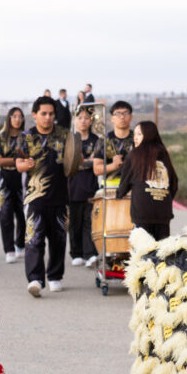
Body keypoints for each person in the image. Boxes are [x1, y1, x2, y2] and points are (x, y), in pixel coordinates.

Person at [15, 96, 68, 297]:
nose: (47, 117)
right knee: (34, 238)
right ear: (34, 114)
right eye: (43, 114)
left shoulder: (64, 135)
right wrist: (25, 165)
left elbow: (75, 160)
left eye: (51, 114)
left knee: (58, 239)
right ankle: (35, 279)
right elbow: (18, 164)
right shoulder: (26, 137)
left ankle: (55, 276)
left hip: (61, 196)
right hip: (34, 197)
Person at [116, 120, 178, 240]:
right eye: (134, 134)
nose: (135, 138)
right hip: (163, 212)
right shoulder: (164, 154)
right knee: (162, 247)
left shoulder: (135, 154)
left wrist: (119, 194)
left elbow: (125, 181)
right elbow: (174, 183)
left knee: (143, 247)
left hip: (142, 211)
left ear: (148, 135)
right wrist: (165, 198)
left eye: (139, 134)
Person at [68, 106, 102, 267]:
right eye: (80, 118)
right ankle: (76, 253)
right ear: (74, 120)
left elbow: (96, 162)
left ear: (91, 121)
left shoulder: (96, 140)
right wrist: (87, 161)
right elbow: (69, 163)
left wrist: (82, 162)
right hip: (73, 187)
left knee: (90, 221)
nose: (83, 121)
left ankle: (90, 254)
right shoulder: (69, 140)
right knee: (75, 222)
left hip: (90, 186)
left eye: (86, 118)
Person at [0, 107, 26, 263]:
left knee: (23, 213)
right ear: (9, 118)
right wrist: (17, 160)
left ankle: (20, 244)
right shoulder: (1, 138)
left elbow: (30, 158)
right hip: (5, 178)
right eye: (14, 116)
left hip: (23, 177)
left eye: (20, 116)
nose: (17, 119)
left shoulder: (26, 137)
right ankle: (9, 249)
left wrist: (16, 161)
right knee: (5, 214)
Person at [93, 100, 133, 183]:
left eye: (126, 113)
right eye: (118, 114)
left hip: (134, 186)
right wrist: (113, 166)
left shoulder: (138, 138)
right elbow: (96, 169)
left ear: (131, 116)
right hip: (110, 187)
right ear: (112, 118)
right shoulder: (103, 141)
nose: (122, 117)